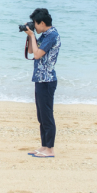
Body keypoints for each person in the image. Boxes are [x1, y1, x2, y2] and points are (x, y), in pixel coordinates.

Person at [23, 8, 61, 158]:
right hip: (40, 78)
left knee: (47, 115)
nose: (35, 27)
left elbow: (38, 55)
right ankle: (44, 145)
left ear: (43, 23)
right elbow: (33, 50)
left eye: (36, 24)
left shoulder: (52, 35)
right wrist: (29, 36)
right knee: (41, 115)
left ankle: (50, 149)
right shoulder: (45, 35)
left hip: (47, 79)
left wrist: (32, 35)